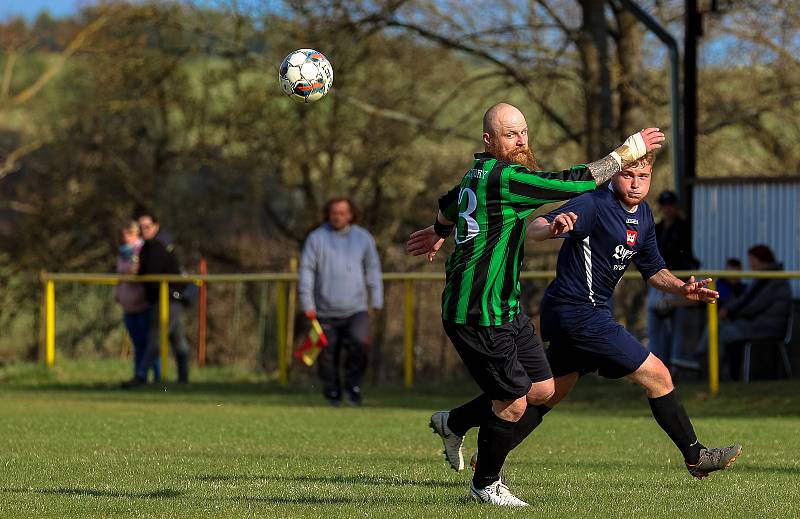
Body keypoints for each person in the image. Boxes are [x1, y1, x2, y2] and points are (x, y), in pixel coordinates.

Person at [407, 101, 665, 506]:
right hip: (477, 313)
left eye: (524, 131)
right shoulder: (508, 178)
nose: (521, 140)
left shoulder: (476, 173)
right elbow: (577, 181)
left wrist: (439, 230)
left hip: (505, 307)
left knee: (543, 389)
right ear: (488, 140)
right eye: (511, 134)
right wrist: (627, 151)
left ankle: (454, 422)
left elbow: (448, 203)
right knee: (512, 405)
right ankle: (484, 485)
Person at [447, 150, 740, 488]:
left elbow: (653, 269)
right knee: (658, 376)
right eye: (627, 175)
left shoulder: (643, 215)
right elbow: (536, 227)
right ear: (614, 174)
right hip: (577, 312)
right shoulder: (594, 203)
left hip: (582, 312)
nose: (634, 183)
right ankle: (696, 456)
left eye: (642, 177)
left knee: (547, 391)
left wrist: (681, 289)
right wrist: (553, 227)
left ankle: (461, 426)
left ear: (651, 180)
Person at [298, 197, 383, 407]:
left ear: (351, 214)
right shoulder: (316, 238)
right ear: (328, 214)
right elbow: (306, 272)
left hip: (356, 308)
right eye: (334, 213)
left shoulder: (363, 238)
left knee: (359, 344)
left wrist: (377, 299)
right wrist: (307, 304)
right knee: (327, 355)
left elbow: (372, 269)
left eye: (343, 213)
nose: (338, 217)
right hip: (324, 310)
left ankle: (353, 390)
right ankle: (333, 395)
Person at [696, 245, 792, 380]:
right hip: (756, 323)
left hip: (766, 327)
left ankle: (716, 376)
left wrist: (731, 313)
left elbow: (755, 305)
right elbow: (746, 300)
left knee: (720, 334)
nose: (750, 265)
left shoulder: (773, 280)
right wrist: (729, 311)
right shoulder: (763, 278)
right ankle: (703, 358)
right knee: (718, 323)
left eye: (752, 260)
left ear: (761, 260)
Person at [124, 212, 190, 387]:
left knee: (156, 339)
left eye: (147, 227)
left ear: (156, 227)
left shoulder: (158, 247)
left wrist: (140, 271)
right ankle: (183, 379)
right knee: (178, 341)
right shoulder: (147, 247)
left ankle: (141, 375)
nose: (144, 230)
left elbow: (153, 272)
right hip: (159, 300)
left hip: (167, 300)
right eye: (141, 227)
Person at [647, 190, 700, 367]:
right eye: (665, 206)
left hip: (679, 280)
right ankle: (656, 364)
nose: (668, 209)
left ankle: (677, 365)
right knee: (656, 323)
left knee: (678, 327)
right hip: (660, 280)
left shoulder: (685, 228)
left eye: (671, 206)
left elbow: (688, 257)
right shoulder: (658, 229)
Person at [116, 221, 160, 386]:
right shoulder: (122, 252)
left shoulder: (141, 249)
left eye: (128, 234)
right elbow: (121, 275)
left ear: (135, 234)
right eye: (123, 234)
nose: (124, 237)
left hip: (143, 304)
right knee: (137, 344)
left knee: (149, 343)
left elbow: (136, 270)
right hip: (128, 305)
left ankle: (157, 378)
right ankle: (139, 376)